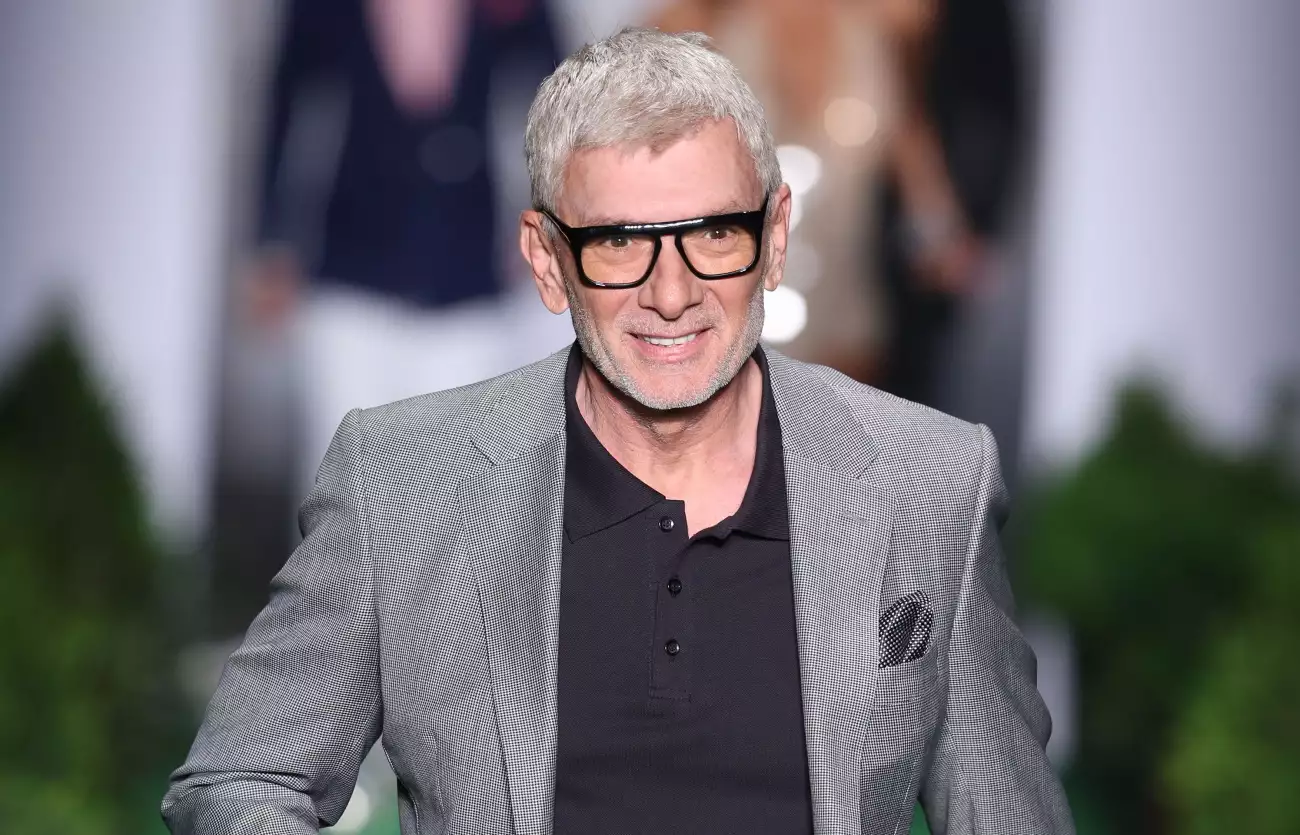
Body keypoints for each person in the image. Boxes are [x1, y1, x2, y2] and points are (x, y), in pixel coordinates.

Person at [163, 27, 1074, 835]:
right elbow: (243, 778)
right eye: (618, 244)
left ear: (775, 236)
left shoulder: (929, 483)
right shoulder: (403, 486)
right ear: (546, 261)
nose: (671, 293)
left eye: (714, 235)